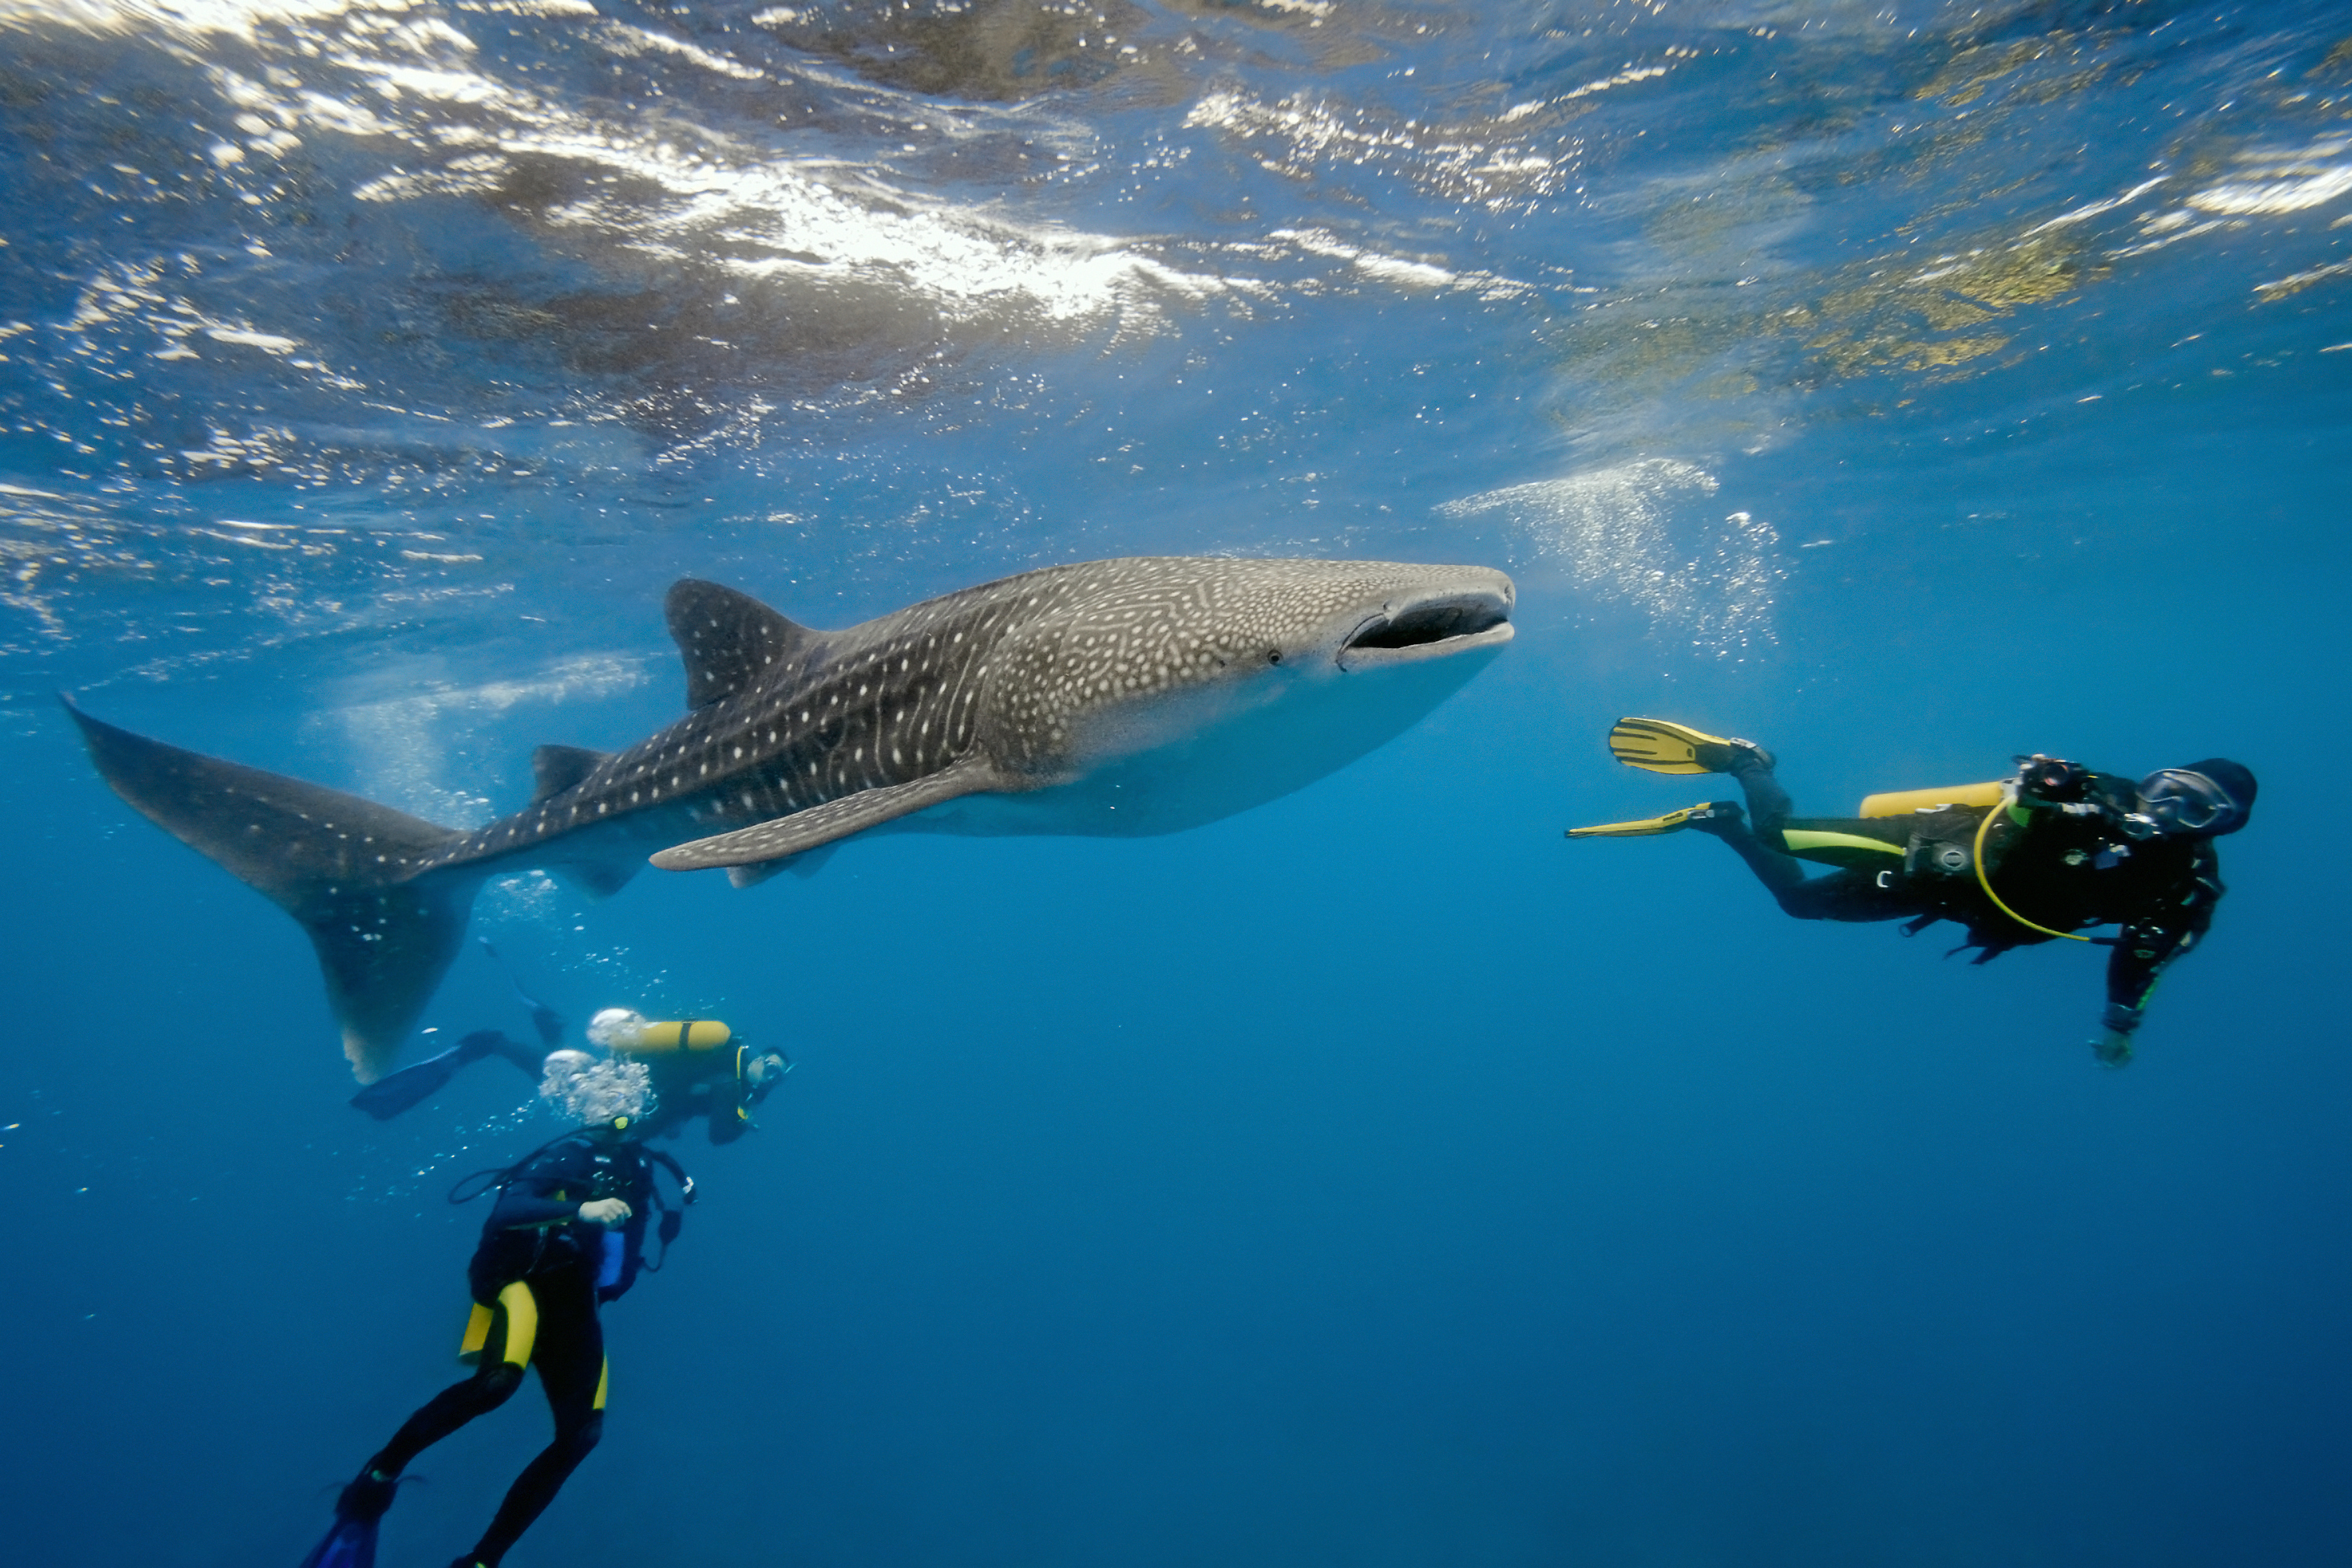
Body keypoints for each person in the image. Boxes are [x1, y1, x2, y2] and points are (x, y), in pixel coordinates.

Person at [1567, 718, 2256, 1067]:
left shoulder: (2185, 889)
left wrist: (2120, 1027)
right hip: (1929, 849)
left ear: (2219, 828)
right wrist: (2042, 790)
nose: (2167, 811)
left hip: (1954, 900)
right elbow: (2021, 805)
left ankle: (1718, 823)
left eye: (2198, 811)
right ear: (2156, 779)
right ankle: (1749, 761)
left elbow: (2143, 957)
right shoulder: (2097, 792)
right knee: (1780, 834)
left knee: (1799, 904)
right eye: (2170, 790)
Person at [298, 1059, 696, 1568]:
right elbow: (507, 1211)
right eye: (606, 1101)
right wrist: (580, 1210)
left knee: (583, 1436)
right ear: (583, 1107)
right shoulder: (567, 1152)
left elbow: (626, 1250)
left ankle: (484, 1560)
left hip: (575, 1297)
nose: (617, 1111)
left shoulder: (641, 1170)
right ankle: (380, 1474)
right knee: (497, 1385)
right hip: (522, 1278)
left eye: (627, 1102)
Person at [352, 941, 789, 1143]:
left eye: (777, 1075)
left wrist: (672, 1122)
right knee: (561, 1077)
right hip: (625, 1084)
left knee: (568, 1081)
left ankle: (545, 1021)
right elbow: (712, 1117)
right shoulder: (729, 1063)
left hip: (637, 1103)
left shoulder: (742, 1092)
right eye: (770, 1063)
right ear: (759, 1055)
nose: (770, 1073)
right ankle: (492, 1042)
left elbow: (693, 1102)